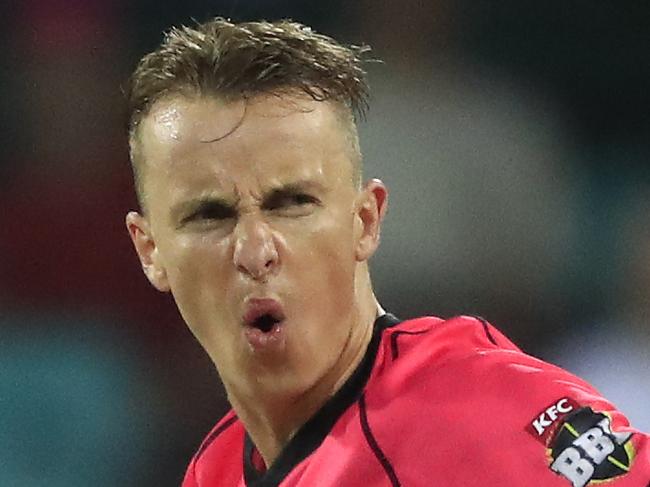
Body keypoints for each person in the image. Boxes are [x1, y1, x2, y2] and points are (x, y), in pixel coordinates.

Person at [124, 17, 650, 486]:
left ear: (366, 221)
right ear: (151, 251)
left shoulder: (474, 408)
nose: (256, 250)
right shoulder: (213, 469)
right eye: (210, 215)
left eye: (293, 203)